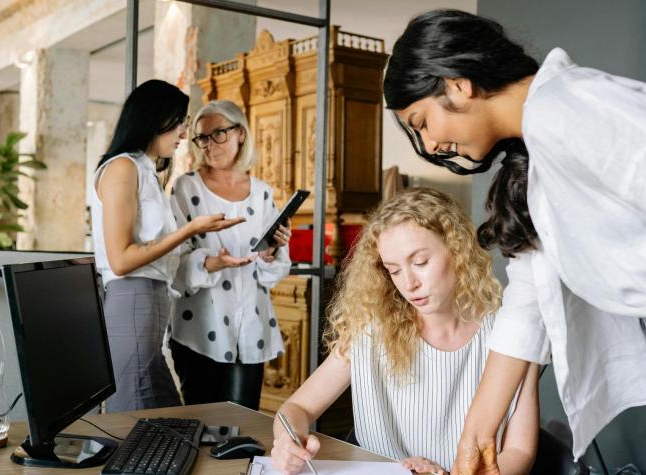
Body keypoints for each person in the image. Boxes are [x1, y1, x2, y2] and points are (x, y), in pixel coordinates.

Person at [383, 9, 646, 473]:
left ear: (457, 85)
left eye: (422, 122)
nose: (431, 145)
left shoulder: (568, 106)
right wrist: (477, 434)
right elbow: (528, 305)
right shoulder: (536, 153)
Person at [271, 188, 539, 475]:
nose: (409, 284)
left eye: (420, 263)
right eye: (394, 270)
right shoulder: (371, 329)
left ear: (457, 250)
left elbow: (520, 452)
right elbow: (297, 408)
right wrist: (287, 441)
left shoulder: (512, 333)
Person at [91, 80, 244, 412]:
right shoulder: (123, 167)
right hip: (132, 300)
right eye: (179, 123)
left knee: (160, 416)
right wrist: (191, 229)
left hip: (148, 304)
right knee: (140, 418)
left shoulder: (145, 171)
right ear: (153, 119)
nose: (184, 134)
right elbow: (121, 259)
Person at [168, 100, 292, 411]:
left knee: (243, 426)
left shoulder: (262, 193)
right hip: (199, 330)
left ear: (240, 133)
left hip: (251, 328)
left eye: (218, 134)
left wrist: (271, 253)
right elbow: (172, 260)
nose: (209, 145)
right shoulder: (186, 188)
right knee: (202, 425)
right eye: (202, 137)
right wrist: (213, 263)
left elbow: (272, 270)